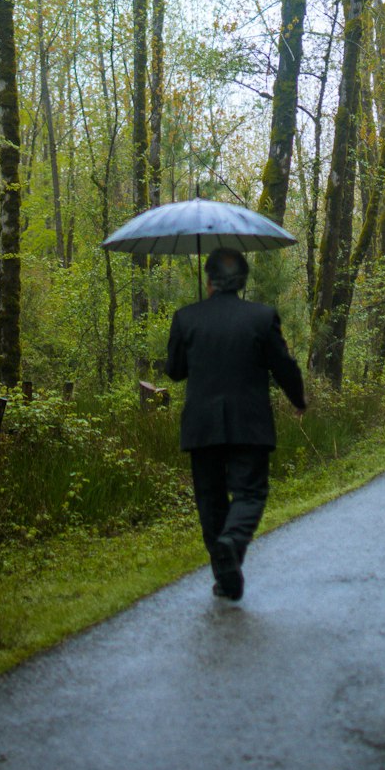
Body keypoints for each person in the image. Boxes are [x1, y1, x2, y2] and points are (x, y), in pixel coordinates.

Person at [165, 247, 307, 602]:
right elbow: (283, 365)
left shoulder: (186, 318)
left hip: (202, 426)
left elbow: (175, 371)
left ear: (208, 281)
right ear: (242, 281)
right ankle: (232, 546)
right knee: (250, 493)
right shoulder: (262, 317)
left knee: (211, 502)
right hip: (250, 424)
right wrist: (299, 400)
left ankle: (225, 576)